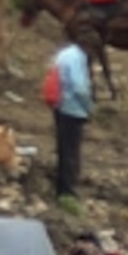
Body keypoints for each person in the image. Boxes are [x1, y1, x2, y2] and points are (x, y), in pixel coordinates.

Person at [56, 19, 98, 201]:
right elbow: (79, 87)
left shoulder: (65, 53)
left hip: (60, 105)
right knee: (71, 151)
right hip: (72, 109)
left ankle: (63, 186)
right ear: (87, 46)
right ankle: (67, 191)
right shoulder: (77, 58)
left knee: (64, 148)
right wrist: (90, 108)